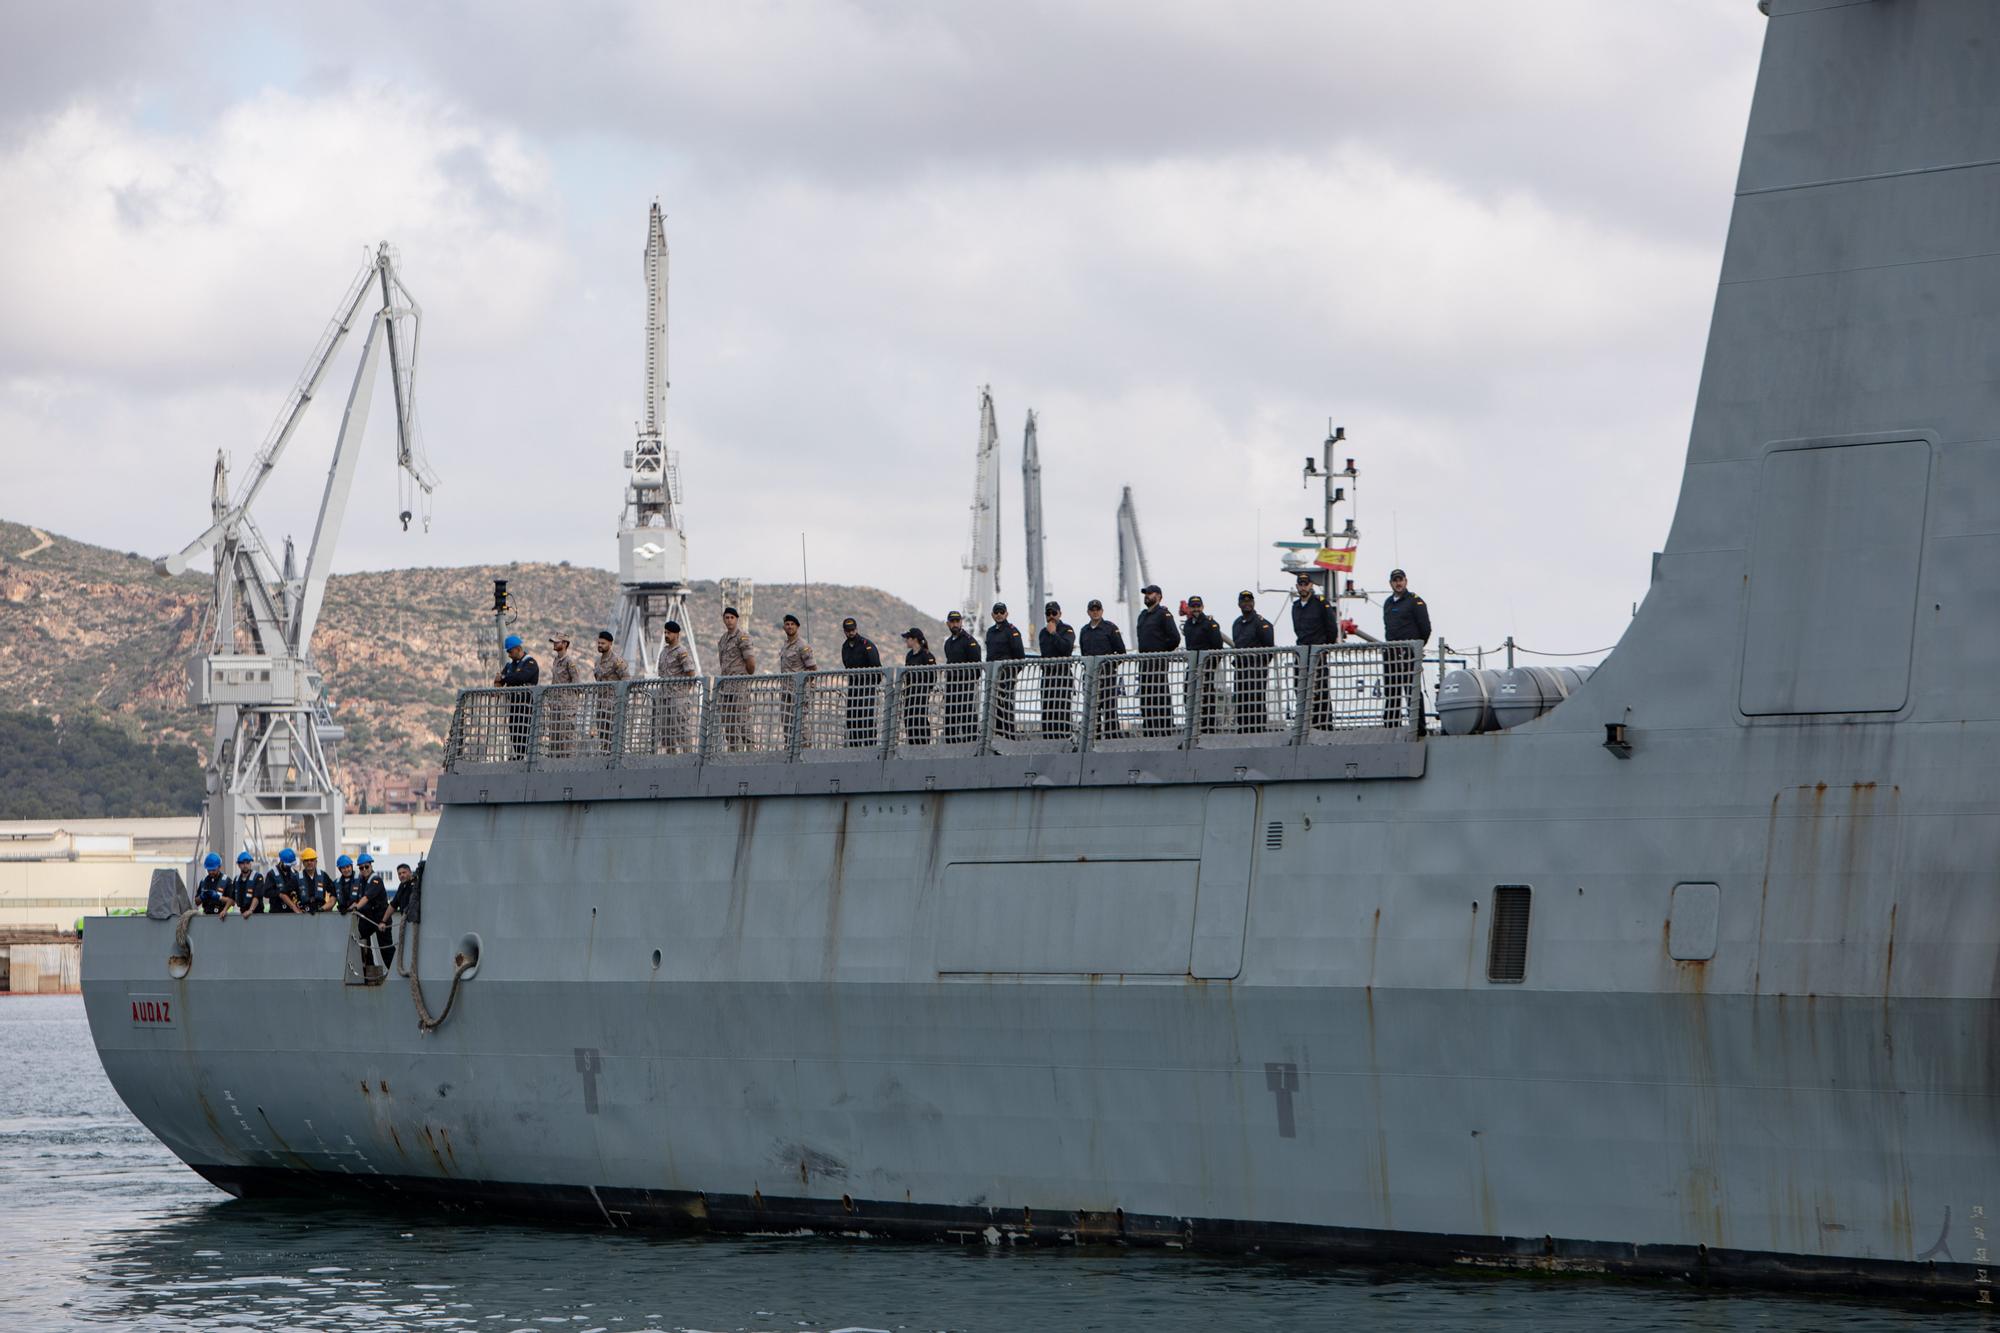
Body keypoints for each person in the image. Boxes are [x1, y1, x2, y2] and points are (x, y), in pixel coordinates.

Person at [1381, 567, 1432, 734]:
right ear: (1391, 583)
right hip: (1392, 654)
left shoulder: (1415, 601)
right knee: (1392, 691)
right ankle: (1391, 727)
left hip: (1409, 653)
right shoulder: (1388, 603)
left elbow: (1425, 628)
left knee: (1412, 691)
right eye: (1395, 580)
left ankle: (1419, 728)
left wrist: (1416, 648)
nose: (1398, 583)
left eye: (1400, 580)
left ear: (1406, 581)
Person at [1291, 572, 1341, 731]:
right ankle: (1307, 724)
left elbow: (1332, 629)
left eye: (1306, 583)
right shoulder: (1296, 607)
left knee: (1320, 690)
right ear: (1297, 586)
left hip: (1317, 653)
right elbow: (1297, 630)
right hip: (1302, 654)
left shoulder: (1320, 603)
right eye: (1301, 584)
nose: (1303, 587)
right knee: (1300, 688)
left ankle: (1324, 725)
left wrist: (1324, 648)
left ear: (1311, 585)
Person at [1134, 583, 1181, 739]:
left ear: (1159, 596)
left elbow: (1175, 638)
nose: (1147, 596)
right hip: (1144, 663)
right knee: (1146, 698)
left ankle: (1166, 732)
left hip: (1158, 663)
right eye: (1146, 593)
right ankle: (1149, 731)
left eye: (1150, 593)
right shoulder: (1143, 615)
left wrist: (1161, 652)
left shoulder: (1163, 614)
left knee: (1160, 697)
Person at [1079, 598, 1127, 740]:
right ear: (1088, 612)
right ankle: (1094, 737)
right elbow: (1083, 652)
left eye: (1097, 609)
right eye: (1092, 610)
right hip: (1090, 676)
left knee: (1110, 708)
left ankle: (1113, 737)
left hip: (1107, 675)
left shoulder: (1110, 628)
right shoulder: (1084, 630)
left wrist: (1110, 666)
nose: (1095, 612)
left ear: (1102, 611)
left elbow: (1121, 652)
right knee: (1092, 709)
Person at [1231, 590, 1276, 733]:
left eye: (1249, 601)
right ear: (1239, 604)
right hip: (1240, 669)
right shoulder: (1237, 623)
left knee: (1255, 701)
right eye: (1243, 601)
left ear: (1253, 603)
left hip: (1256, 669)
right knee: (1241, 700)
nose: (1247, 604)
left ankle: (1257, 730)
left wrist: (1259, 664)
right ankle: (1243, 729)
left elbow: (1269, 648)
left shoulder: (1262, 623)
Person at [1182, 595, 1227, 731]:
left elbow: (1218, 647)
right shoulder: (1188, 625)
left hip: (1206, 667)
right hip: (1193, 667)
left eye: (1198, 606)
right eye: (1193, 606)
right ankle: (1193, 726)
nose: (1196, 609)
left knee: (1207, 698)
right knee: (1189, 695)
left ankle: (1208, 728)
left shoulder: (1210, 624)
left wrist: (1210, 667)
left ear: (1202, 607)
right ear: (1189, 608)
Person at [716, 607, 756, 751]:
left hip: (739, 685)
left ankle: (751, 751)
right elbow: (722, 662)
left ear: (737, 619)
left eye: (732, 617)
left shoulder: (742, 637)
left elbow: (750, 662)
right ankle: (733, 752)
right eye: (726, 617)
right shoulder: (723, 640)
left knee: (743, 720)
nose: (729, 620)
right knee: (728, 722)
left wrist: (744, 677)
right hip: (726, 687)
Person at [985, 602, 1026, 739]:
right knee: (994, 707)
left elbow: (1020, 657)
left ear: (1006, 614)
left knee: (1007, 706)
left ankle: (1009, 735)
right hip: (993, 677)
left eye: (1001, 612)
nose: (999, 614)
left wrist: (1012, 674)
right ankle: (997, 735)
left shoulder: (1012, 631)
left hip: (1007, 676)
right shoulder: (990, 632)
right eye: (996, 612)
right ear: (992, 614)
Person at [494, 634, 538, 761]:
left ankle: (525, 757)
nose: (509, 654)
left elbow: (521, 677)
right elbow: (499, 680)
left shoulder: (530, 663)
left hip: (527, 705)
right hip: (514, 704)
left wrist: (504, 678)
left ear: (518, 649)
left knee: (525, 731)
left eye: (510, 651)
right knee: (514, 731)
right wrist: (500, 681)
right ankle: (518, 756)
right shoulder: (510, 666)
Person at [839, 617, 882, 748]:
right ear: (844, 631)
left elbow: (876, 666)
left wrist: (871, 685)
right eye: (848, 631)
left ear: (856, 629)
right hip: (853, 687)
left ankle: (870, 747)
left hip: (867, 686)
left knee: (866, 718)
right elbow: (847, 665)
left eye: (852, 630)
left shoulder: (866, 644)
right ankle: (854, 748)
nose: (851, 633)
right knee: (852, 719)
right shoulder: (845, 647)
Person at [941, 611, 982, 744]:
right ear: (948, 624)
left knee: (967, 717)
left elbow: (977, 665)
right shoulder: (948, 643)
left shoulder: (969, 641)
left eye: (957, 621)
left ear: (961, 622)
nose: (955, 624)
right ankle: (951, 745)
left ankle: (972, 745)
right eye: (952, 622)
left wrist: (968, 681)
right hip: (951, 687)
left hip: (965, 687)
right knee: (950, 718)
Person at [1038, 601, 1076, 740]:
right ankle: (1048, 741)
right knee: (1048, 712)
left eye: (1054, 613)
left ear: (1060, 614)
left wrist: (1054, 633)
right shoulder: (1042, 633)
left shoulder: (1067, 630)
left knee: (1062, 711)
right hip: (1048, 677)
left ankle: (1065, 740)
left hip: (1062, 677)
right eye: (1048, 613)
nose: (1051, 616)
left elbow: (1066, 649)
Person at [351, 859, 396, 973]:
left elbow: (367, 897)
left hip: (381, 918)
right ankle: (369, 967)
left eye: (366, 867)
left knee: (385, 948)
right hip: (368, 918)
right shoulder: (361, 881)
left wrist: (356, 907)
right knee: (360, 937)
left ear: (371, 866)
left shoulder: (375, 880)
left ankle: (395, 971)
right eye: (361, 868)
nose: (364, 870)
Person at [660, 620, 699, 753]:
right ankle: (671, 756)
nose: (666, 635)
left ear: (676, 634)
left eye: (669, 633)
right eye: (665, 632)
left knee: (680, 728)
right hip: (665, 696)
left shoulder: (681, 651)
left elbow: (690, 672)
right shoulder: (664, 652)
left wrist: (683, 691)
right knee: (666, 730)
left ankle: (687, 756)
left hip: (678, 697)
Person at [544, 634, 584, 757]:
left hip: (566, 707)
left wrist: (570, 702)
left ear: (565, 644)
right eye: (554, 642)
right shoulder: (556, 661)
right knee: (555, 736)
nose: (554, 644)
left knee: (566, 736)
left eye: (557, 642)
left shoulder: (569, 662)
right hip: (556, 705)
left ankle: (569, 764)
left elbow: (577, 683)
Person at [592, 630, 627, 753]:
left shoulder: (616, 661)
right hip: (601, 705)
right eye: (599, 643)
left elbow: (626, 679)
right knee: (603, 737)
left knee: (615, 735)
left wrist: (621, 699)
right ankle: (605, 761)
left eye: (603, 643)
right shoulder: (597, 662)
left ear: (610, 644)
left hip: (613, 705)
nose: (600, 645)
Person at [901, 628, 936, 745]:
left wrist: (923, 689)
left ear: (914, 639)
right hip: (909, 694)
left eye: (908, 638)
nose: (906, 640)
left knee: (919, 719)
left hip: (921, 694)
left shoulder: (927, 656)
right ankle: (912, 744)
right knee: (908, 719)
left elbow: (932, 678)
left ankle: (923, 744)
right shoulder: (909, 656)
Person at [265, 848, 303, 914]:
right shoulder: (271, 874)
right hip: (277, 911)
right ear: (281, 861)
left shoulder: (295, 874)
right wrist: (279, 894)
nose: (289, 867)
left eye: (291, 865)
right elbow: (266, 892)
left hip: (292, 912)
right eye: (287, 865)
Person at [297, 848, 332, 914]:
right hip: (303, 915)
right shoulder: (297, 877)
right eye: (306, 860)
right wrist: (295, 909)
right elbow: (283, 894)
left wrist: (326, 907)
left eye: (312, 860)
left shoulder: (323, 876)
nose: (309, 862)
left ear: (316, 861)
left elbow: (334, 893)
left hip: (320, 913)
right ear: (303, 862)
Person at [228, 851, 262, 916]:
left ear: (250, 864)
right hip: (243, 913)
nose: (245, 865)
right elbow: (232, 898)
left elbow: (257, 896)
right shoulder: (237, 879)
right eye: (243, 863)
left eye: (247, 863)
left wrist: (250, 910)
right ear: (239, 865)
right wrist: (224, 910)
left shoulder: (258, 877)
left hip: (257, 914)